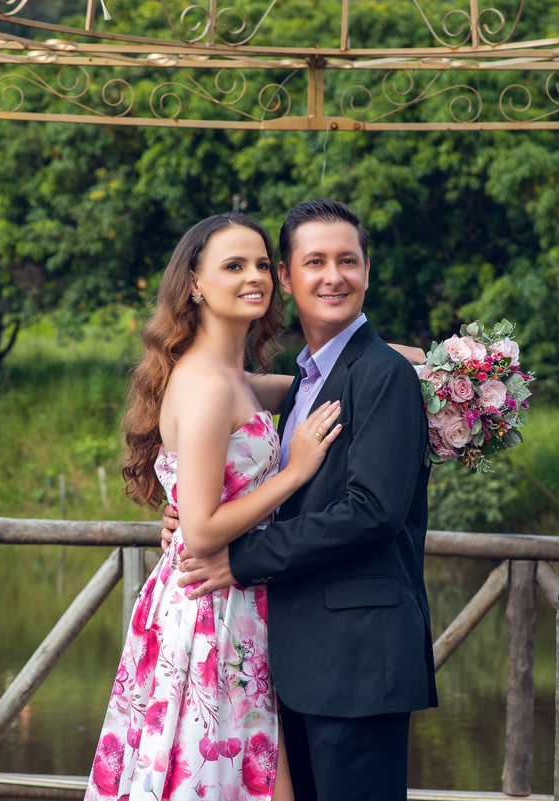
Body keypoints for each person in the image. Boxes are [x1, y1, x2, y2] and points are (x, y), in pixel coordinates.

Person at [166, 199, 438, 801]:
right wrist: (190, 513)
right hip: (291, 658)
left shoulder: (382, 374)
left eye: (348, 260)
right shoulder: (303, 384)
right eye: (314, 261)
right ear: (288, 278)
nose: (333, 275)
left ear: (368, 270)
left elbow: (372, 511)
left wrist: (239, 557)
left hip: (357, 660)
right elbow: (263, 485)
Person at [85, 212, 347, 801]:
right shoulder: (205, 385)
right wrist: (295, 472)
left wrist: (433, 362)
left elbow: (331, 375)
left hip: (234, 600)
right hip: (211, 611)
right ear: (195, 284)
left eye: (260, 264)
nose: (254, 276)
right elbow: (201, 533)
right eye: (233, 265)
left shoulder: (237, 378)